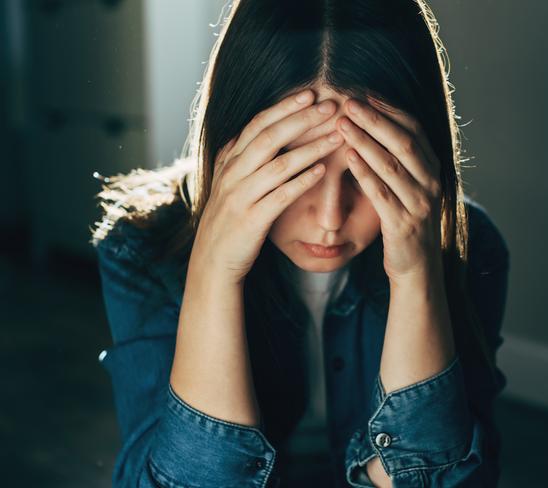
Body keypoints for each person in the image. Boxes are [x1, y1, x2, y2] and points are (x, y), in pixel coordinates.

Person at [90, 0, 510, 486]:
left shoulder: (471, 246)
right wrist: (213, 274)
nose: (330, 219)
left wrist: (418, 279)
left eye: (367, 173)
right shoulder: (138, 248)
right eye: (292, 168)